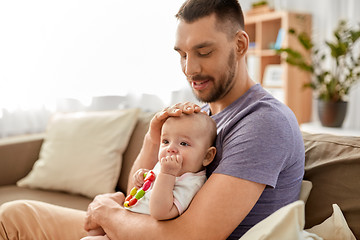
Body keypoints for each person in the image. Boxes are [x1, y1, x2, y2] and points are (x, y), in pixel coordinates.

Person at [0, 0, 305, 239]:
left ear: (239, 45)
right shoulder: (203, 118)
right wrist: (152, 136)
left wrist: (109, 214)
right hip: (142, 226)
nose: (189, 69)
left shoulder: (263, 121)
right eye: (182, 54)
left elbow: (194, 235)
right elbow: (140, 185)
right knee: (14, 215)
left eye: (203, 52)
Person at [83, 113, 217, 240]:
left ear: (207, 156)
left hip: (137, 233)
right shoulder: (167, 165)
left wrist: (167, 174)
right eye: (165, 141)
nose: (170, 148)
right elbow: (146, 186)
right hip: (126, 222)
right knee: (93, 228)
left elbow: (159, 212)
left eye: (183, 143)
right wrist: (142, 177)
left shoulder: (191, 183)